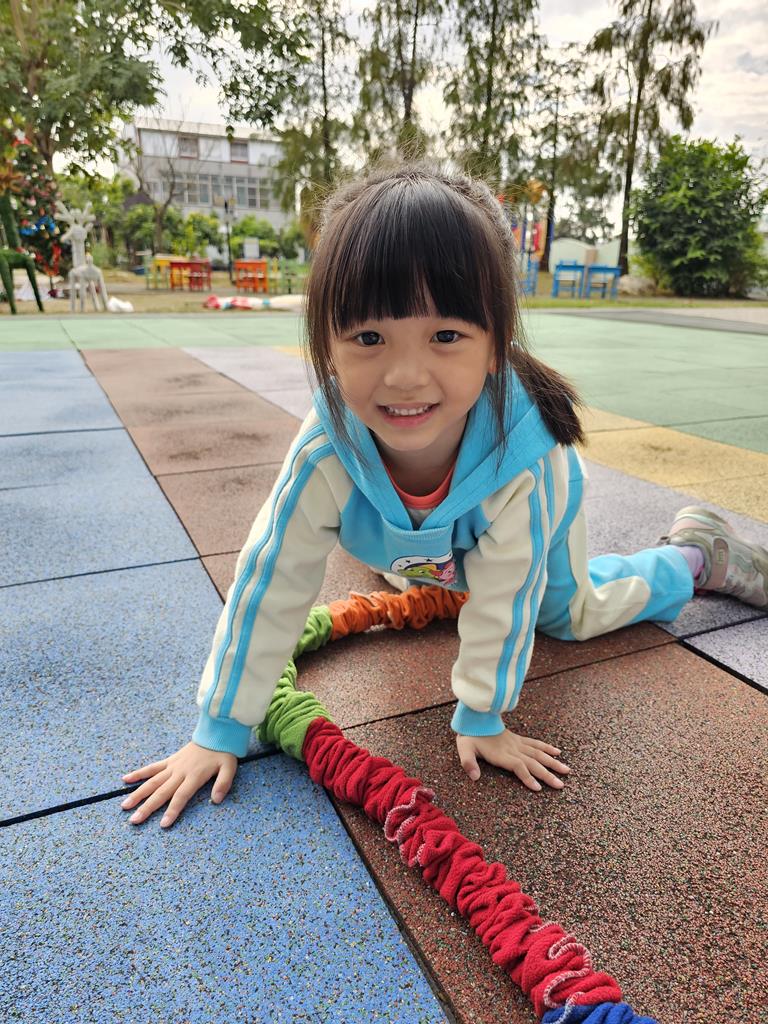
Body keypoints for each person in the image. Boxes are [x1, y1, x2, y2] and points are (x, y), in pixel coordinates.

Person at [120, 161, 768, 829]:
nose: (405, 376)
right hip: (424, 534)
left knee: (568, 616)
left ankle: (694, 558)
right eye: (369, 338)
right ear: (327, 347)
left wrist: (482, 714)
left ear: (495, 346)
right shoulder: (325, 452)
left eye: (446, 336)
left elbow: (509, 594)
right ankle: (431, 559)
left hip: (534, 517)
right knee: (417, 570)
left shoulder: (525, 463)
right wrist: (220, 728)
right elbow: (272, 578)